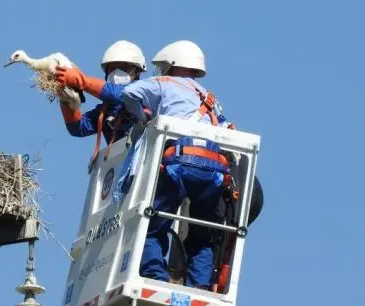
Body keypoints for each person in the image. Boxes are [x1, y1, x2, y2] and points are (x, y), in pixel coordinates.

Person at [119, 40, 263, 290]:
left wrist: (144, 118)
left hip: (181, 164)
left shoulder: (165, 83)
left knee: (154, 225)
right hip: (215, 172)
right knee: (202, 236)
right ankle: (199, 286)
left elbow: (128, 93)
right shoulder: (211, 100)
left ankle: (155, 278)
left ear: (171, 64)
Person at [53, 40, 147, 166]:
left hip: (143, 161)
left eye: (124, 68)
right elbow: (78, 128)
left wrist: (81, 81)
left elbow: (120, 94)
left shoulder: (146, 93)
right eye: (112, 68)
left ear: (137, 72)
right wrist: (67, 99)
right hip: (123, 168)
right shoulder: (109, 109)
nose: (116, 72)